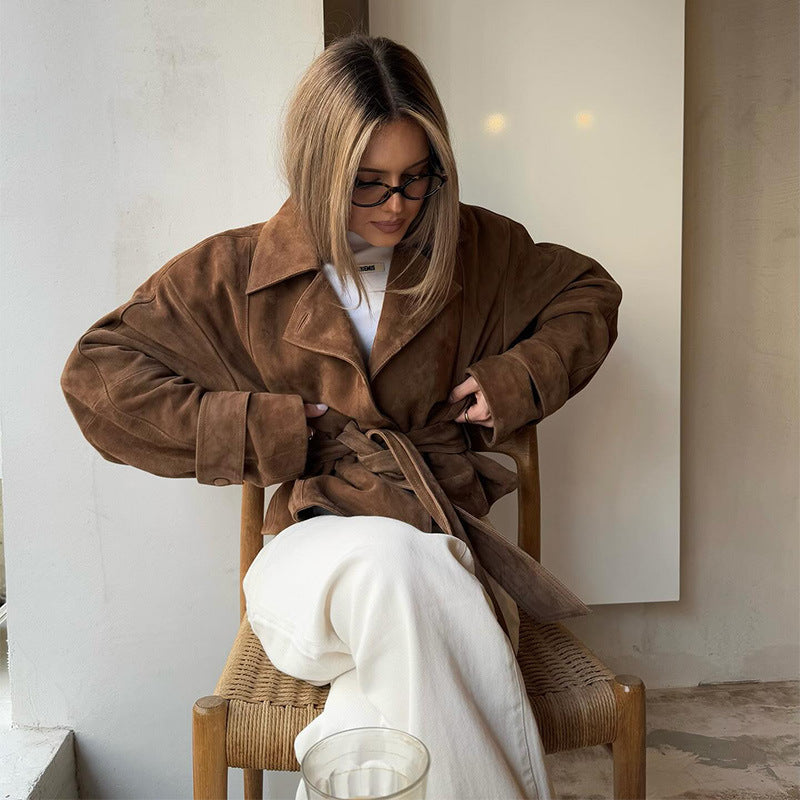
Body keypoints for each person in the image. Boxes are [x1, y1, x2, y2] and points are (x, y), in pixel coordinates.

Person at [61, 33, 622, 800]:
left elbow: (589, 294)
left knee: (376, 708)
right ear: (318, 168)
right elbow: (97, 378)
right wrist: (268, 430)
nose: (396, 206)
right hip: (310, 567)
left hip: (443, 546)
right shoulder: (235, 274)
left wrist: (517, 379)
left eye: (416, 178)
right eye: (368, 183)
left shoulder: (476, 250)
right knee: (398, 567)